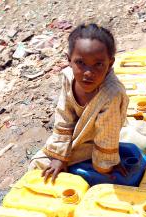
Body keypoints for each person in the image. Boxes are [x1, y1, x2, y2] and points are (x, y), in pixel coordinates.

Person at [29, 23, 129, 182]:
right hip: (74, 139)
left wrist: (104, 166)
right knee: (38, 165)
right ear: (69, 60)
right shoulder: (68, 78)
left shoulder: (112, 94)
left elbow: (106, 135)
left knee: (102, 174)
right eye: (80, 63)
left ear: (110, 64)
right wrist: (59, 156)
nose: (88, 73)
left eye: (98, 64)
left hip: (97, 143)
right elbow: (63, 117)